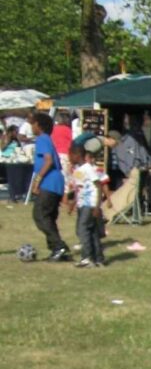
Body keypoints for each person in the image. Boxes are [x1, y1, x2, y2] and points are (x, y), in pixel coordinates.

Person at [29, 112, 71, 262]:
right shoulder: (46, 139)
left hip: (50, 182)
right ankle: (57, 250)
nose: (31, 127)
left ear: (39, 126)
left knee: (40, 215)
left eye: (33, 124)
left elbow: (48, 161)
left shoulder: (42, 139)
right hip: (56, 183)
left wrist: (37, 181)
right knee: (49, 217)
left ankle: (59, 246)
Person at [66, 140, 109, 268]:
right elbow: (80, 189)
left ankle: (87, 258)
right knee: (92, 231)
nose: (69, 158)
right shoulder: (78, 170)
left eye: (70, 155)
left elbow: (99, 186)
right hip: (82, 204)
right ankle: (98, 258)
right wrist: (73, 203)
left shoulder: (87, 169)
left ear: (77, 155)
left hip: (89, 205)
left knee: (82, 230)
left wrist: (97, 206)